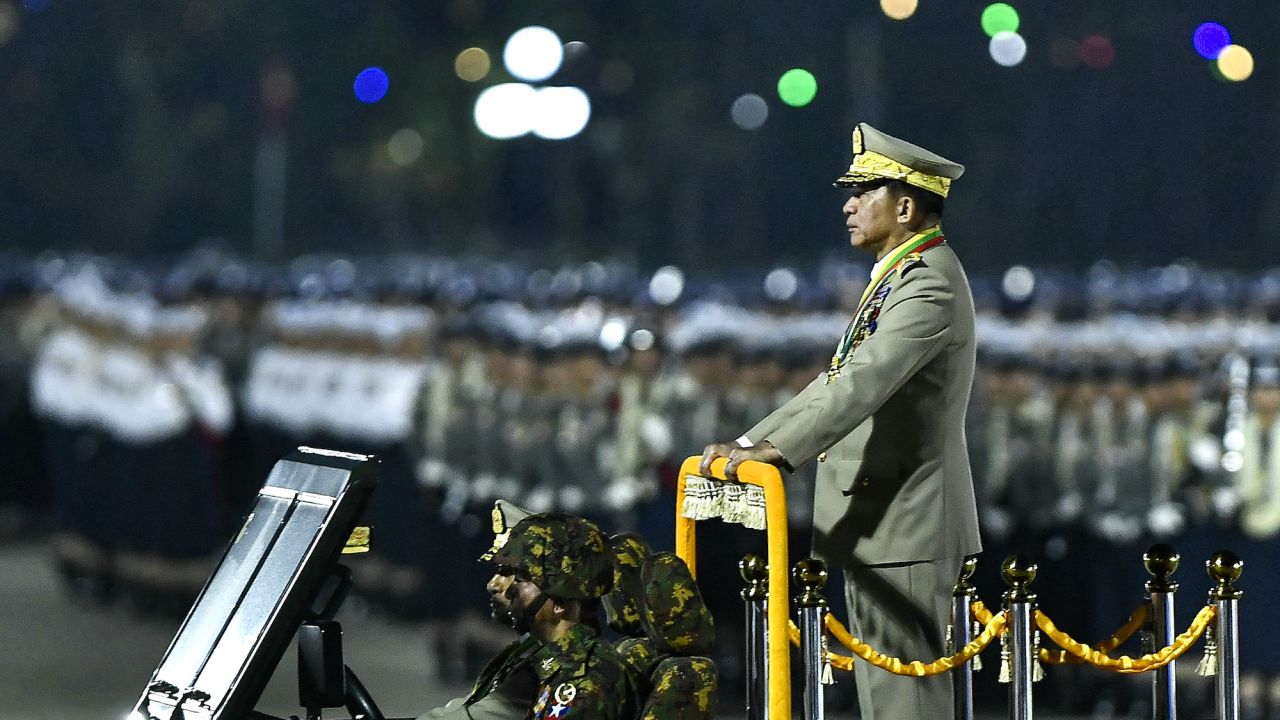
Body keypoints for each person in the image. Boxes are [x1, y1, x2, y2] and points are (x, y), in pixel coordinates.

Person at [700, 122, 980, 720]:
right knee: (883, 698)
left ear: (905, 207)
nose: (848, 205)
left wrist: (775, 453)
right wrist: (752, 442)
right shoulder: (899, 277)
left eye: (862, 192)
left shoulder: (928, 283)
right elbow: (834, 378)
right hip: (882, 520)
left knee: (906, 701)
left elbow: (861, 384)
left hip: (905, 520)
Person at [419, 508, 641, 720]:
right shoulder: (532, 657)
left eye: (521, 579)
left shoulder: (585, 679)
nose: (496, 586)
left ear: (560, 603)